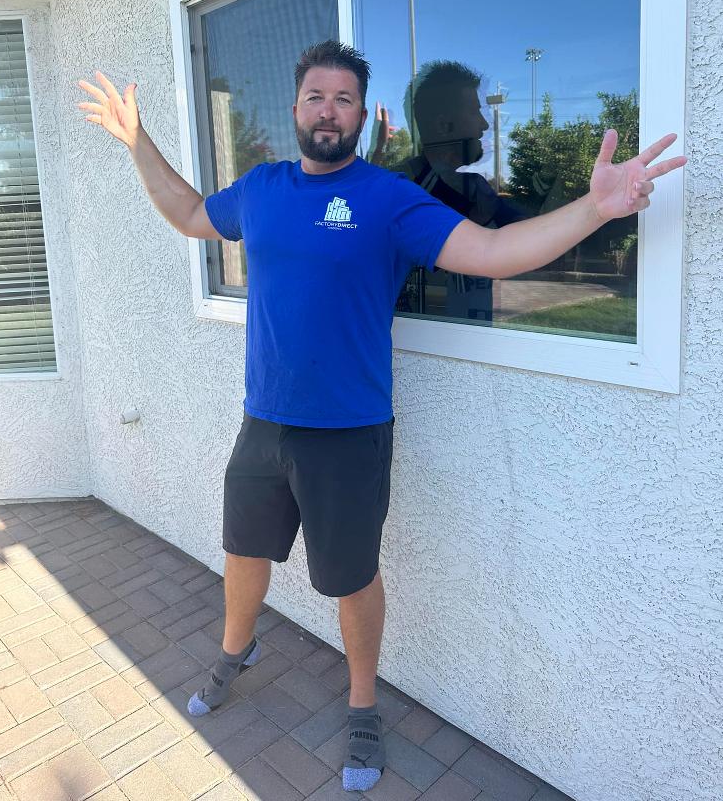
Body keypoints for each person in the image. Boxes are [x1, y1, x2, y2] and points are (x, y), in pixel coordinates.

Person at [77, 41, 686, 793]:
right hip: (262, 423)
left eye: (342, 99)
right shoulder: (262, 188)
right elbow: (190, 214)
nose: (327, 110)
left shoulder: (386, 200)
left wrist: (596, 207)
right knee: (244, 551)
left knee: (351, 578)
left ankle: (362, 703)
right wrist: (139, 142)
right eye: (314, 96)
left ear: (361, 116)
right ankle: (236, 649)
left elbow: (494, 252)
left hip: (349, 433)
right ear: (295, 108)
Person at [370, 60, 527, 323]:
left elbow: (523, 231)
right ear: (444, 126)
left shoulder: (476, 187)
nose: (485, 125)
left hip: (478, 337)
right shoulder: (399, 187)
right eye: (476, 112)